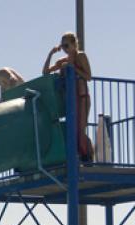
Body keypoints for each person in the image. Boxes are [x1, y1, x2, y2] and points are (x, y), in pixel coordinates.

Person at [43, 31, 93, 160]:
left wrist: (72, 68)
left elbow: (88, 76)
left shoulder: (80, 56)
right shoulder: (62, 61)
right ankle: (80, 156)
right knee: (72, 129)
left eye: (67, 45)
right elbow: (45, 72)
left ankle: (88, 156)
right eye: (62, 46)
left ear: (74, 44)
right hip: (69, 98)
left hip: (81, 96)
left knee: (80, 129)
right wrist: (50, 54)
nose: (65, 49)